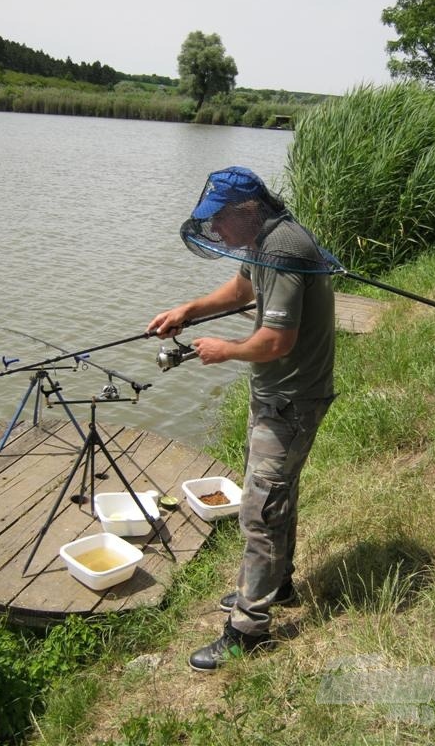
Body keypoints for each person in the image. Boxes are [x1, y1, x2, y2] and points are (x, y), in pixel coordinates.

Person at [145, 166, 335, 671]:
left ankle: (248, 630)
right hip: (275, 393)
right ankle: (281, 583)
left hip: (293, 399)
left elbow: (277, 342)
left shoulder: (284, 247)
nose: (216, 233)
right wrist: (189, 310)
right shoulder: (265, 239)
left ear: (245, 211)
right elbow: (239, 290)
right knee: (277, 497)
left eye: (219, 222)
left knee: (258, 511)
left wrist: (225, 349)